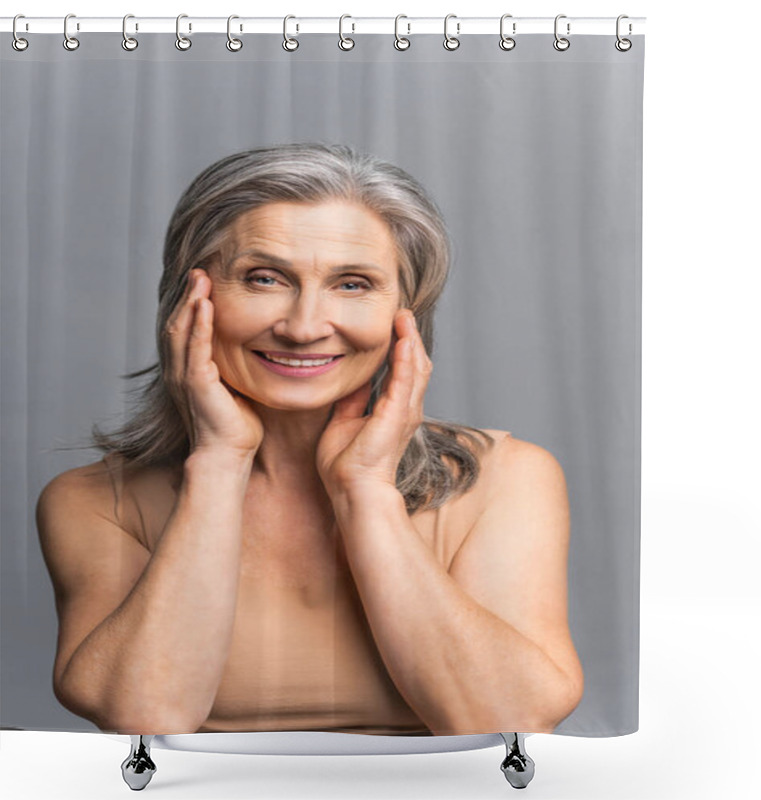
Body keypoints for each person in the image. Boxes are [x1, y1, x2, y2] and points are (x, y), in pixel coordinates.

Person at [36, 143, 583, 737]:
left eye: (353, 285)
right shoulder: (93, 501)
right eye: (264, 278)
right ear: (193, 301)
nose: (303, 327)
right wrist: (219, 462)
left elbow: (513, 724)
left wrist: (366, 492)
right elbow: (142, 721)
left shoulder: (506, 478)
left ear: (407, 314)